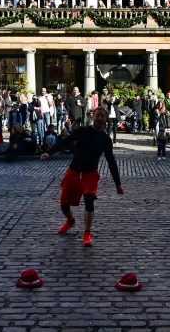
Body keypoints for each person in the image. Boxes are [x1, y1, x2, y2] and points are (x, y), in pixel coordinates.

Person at [47, 106, 124, 247]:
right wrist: (49, 152)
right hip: (74, 171)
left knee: (89, 201)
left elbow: (111, 161)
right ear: (92, 116)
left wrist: (117, 184)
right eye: (97, 115)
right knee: (64, 204)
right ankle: (70, 221)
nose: (100, 118)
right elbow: (65, 142)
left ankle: (87, 233)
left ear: (106, 119)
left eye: (102, 116)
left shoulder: (106, 140)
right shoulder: (82, 131)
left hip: (91, 175)